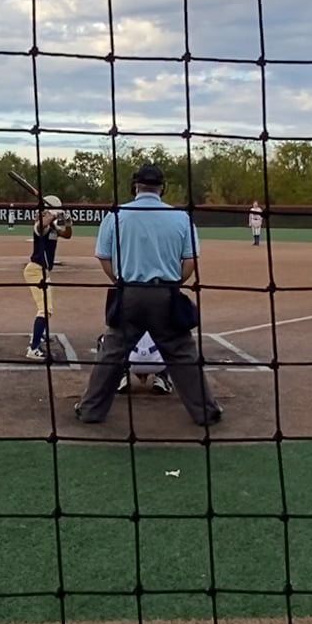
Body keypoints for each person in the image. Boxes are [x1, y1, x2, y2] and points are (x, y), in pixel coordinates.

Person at [74, 163, 221, 427]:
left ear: (135, 186)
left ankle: (90, 410)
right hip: (165, 294)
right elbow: (189, 262)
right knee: (182, 352)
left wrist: (120, 281)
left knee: (112, 353)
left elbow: (104, 258)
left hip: (128, 293)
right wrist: (172, 285)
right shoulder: (180, 217)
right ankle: (205, 413)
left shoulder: (116, 215)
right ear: (161, 188)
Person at [23, 195, 73, 359]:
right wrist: (54, 213)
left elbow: (67, 235)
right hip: (35, 271)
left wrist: (68, 222)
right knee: (45, 309)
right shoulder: (40, 226)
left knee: (46, 307)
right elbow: (41, 225)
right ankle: (33, 348)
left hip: (43, 271)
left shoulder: (52, 227)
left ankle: (39, 334)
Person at [104, 332, 176, 395]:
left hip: (130, 361)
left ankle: (120, 377)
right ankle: (163, 378)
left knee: (109, 338)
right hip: (158, 363)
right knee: (172, 338)